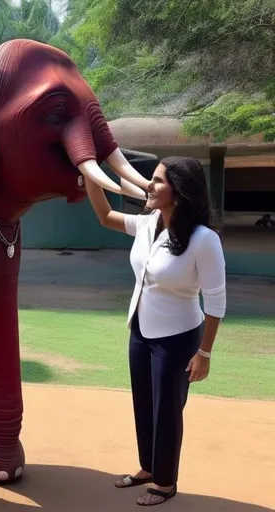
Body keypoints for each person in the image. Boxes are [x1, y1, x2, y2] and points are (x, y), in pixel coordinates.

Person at [85, 156, 226, 506]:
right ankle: (148, 467)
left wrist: (204, 354)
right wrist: (87, 174)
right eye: (152, 179)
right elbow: (105, 216)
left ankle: (165, 482)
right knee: (144, 404)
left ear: (180, 191)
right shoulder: (150, 224)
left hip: (178, 339)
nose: (150, 184)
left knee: (166, 410)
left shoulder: (204, 239)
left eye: (159, 181)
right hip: (141, 332)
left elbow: (216, 301)